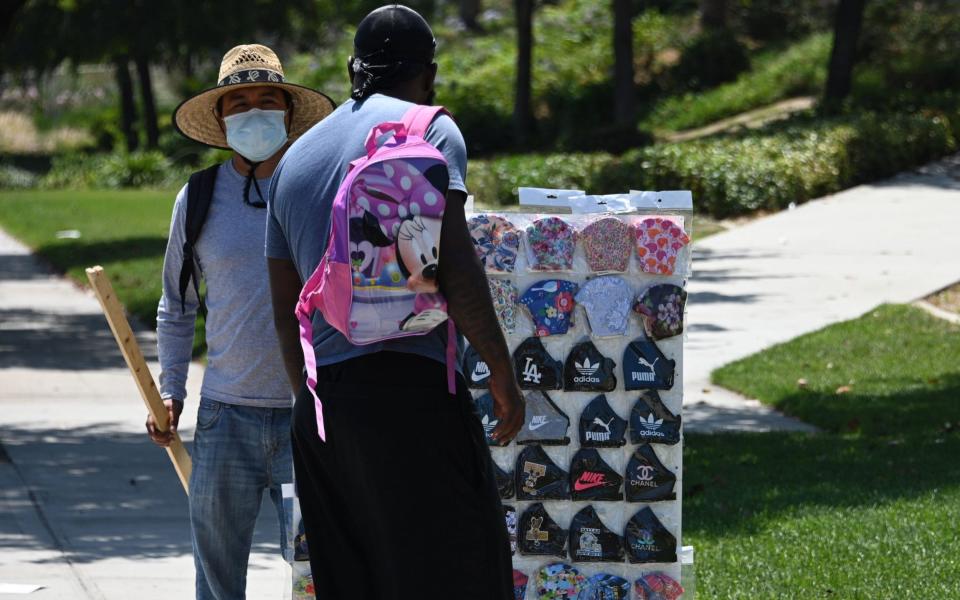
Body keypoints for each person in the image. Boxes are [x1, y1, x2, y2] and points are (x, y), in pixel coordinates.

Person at [266, 5, 523, 599]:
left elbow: (284, 309)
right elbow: (454, 262)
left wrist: (312, 404)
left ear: (353, 70)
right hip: (414, 391)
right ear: (428, 73)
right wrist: (501, 369)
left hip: (325, 406)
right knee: (460, 570)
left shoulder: (294, 160)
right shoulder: (428, 130)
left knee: (354, 578)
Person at [148, 44, 334, 600]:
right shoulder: (198, 197)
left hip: (308, 416)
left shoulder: (320, 192)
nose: (254, 111)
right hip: (225, 418)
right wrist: (170, 390)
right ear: (222, 118)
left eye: (267, 99)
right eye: (240, 102)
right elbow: (175, 306)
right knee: (216, 578)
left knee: (314, 574)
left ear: (288, 111)